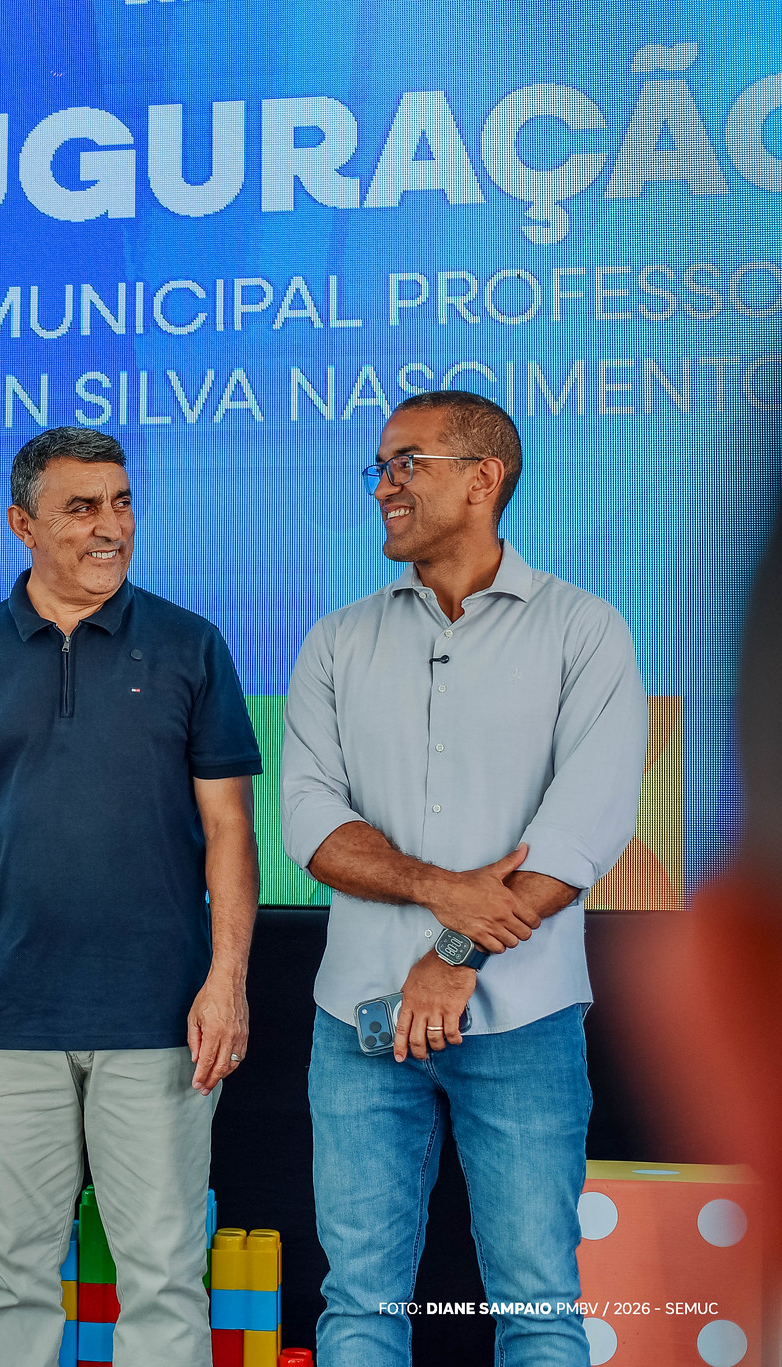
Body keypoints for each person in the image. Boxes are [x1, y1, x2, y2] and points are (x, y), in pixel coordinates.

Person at [281, 390, 648, 1367]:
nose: (383, 485)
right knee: (357, 1305)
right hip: (356, 1021)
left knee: (538, 1306)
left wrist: (451, 955)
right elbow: (310, 825)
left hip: (522, 1021)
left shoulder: (583, 630)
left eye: (408, 462)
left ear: (484, 478)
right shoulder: (335, 639)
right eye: (379, 466)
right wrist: (443, 888)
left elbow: (578, 833)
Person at [0, 426, 262, 1367]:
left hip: (163, 1018)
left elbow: (231, 829)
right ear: (22, 524)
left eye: (122, 503)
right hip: (3, 1020)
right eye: (82, 507)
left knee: (164, 1277)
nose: (112, 526)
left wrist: (227, 981)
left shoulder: (191, 646)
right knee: (12, 1278)